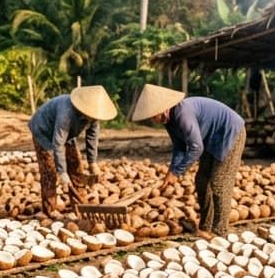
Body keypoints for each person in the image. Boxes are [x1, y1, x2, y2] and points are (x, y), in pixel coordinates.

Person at [130, 84, 246, 239]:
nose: (152, 119)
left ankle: (220, 233)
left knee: (219, 183)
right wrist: (171, 171)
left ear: (162, 108)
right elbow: (179, 148)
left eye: (153, 115)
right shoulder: (168, 121)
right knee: (201, 180)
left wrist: (177, 172)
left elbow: (196, 147)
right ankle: (206, 226)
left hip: (231, 133)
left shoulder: (182, 113)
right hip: (209, 139)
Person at [28, 85, 118, 216]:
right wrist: (63, 172)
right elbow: (58, 143)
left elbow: (92, 137)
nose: (94, 119)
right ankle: (49, 211)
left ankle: (79, 207)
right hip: (44, 131)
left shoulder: (94, 116)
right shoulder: (67, 112)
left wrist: (92, 163)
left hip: (67, 135)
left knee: (76, 166)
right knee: (50, 170)